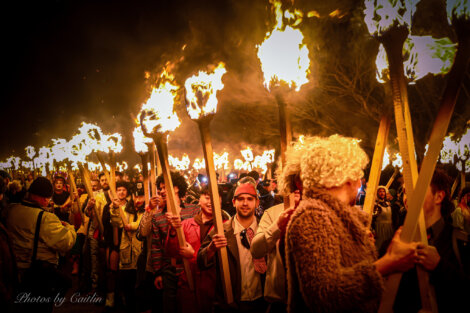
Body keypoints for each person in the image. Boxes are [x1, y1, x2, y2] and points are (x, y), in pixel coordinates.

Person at [284, 135, 419, 312]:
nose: (359, 182)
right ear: (345, 177)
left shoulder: (333, 216)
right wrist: (388, 263)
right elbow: (325, 294)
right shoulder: (313, 216)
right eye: (357, 174)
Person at [394, 169, 470, 312]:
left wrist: (439, 266)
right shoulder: (396, 241)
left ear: (438, 197)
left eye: (414, 189)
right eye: (404, 191)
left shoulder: (460, 243)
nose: (406, 197)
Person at [1, 177, 77, 313]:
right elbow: (66, 243)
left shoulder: (11, 210)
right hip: (38, 276)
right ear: (45, 199)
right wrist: (70, 228)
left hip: (14, 272)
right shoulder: (46, 218)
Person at [250, 139, 304, 313]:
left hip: (310, 301)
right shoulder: (272, 213)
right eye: (293, 180)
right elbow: (256, 250)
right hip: (279, 301)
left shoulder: (321, 213)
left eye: (302, 180)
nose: (297, 185)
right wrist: (277, 227)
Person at [198, 182, 267, 313]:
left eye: (250, 199)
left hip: (261, 302)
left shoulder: (266, 229)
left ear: (257, 202)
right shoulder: (221, 230)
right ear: (234, 202)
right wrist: (211, 249)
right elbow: (200, 261)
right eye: (241, 199)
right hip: (231, 304)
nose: (245, 203)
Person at [137, 171, 199, 313]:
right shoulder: (158, 216)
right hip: (168, 270)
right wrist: (158, 272)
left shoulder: (193, 210)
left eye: (164, 187)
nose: (161, 191)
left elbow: (198, 237)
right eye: (160, 188)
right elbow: (156, 247)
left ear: (176, 188)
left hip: (189, 267)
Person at [165, 185, 230, 313]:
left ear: (221, 202)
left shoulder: (226, 226)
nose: (211, 202)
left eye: (215, 198)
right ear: (199, 200)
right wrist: (173, 230)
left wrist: (193, 255)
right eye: (207, 197)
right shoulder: (186, 224)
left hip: (215, 287)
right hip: (188, 284)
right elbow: (171, 252)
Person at [110, 181, 144, 313]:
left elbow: (142, 223)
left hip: (140, 255)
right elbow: (116, 222)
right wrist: (114, 209)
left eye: (141, 196)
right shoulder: (125, 209)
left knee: (139, 289)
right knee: (126, 287)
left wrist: (132, 226)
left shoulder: (147, 209)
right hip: (126, 257)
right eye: (136, 196)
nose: (138, 199)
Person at [372, 185, 394, 255]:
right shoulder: (375, 205)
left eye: (383, 191)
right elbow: (372, 219)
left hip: (389, 228)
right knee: (380, 247)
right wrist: (373, 230)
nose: (382, 193)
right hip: (380, 228)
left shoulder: (388, 204)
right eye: (380, 191)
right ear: (377, 193)